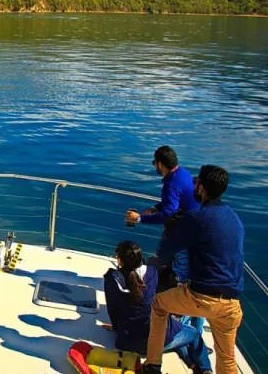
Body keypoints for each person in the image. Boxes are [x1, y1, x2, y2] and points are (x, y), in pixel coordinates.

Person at [143, 165, 244, 374]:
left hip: (202, 298)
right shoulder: (234, 217)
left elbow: (164, 253)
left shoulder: (196, 217)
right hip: (232, 304)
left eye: (196, 182)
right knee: (227, 361)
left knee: (159, 305)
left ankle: (152, 364)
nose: (194, 185)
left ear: (201, 188)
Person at [125, 146, 203, 334]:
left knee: (178, 277)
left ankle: (180, 329)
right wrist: (155, 207)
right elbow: (174, 202)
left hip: (182, 236)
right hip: (192, 232)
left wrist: (140, 218)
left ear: (161, 164)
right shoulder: (182, 174)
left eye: (154, 162)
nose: (154, 166)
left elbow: (169, 211)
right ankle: (193, 327)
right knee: (186, 277)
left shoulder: (171, 184)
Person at [104, 241, 213, 374]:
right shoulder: (152, 273)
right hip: (156, 342)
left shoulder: (111, 280)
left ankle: (192, 365)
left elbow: (112, 309)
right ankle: (206, 370)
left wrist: (116, 327)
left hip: (126, 342)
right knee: (193, 333)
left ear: (120, 261)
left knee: (177, 333)